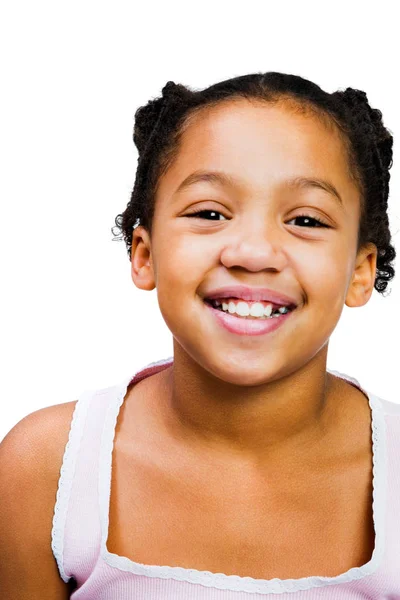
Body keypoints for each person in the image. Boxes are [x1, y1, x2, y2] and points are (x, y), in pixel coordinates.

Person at [1, 71, 399, 598]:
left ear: (359, 270)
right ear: (144, 255)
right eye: (209, 212)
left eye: (306, 220)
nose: (253, 253)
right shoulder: (46, 469)